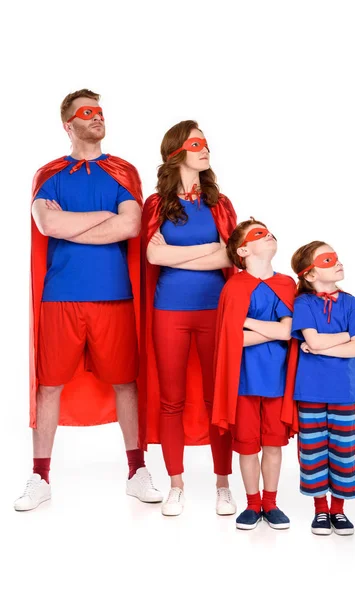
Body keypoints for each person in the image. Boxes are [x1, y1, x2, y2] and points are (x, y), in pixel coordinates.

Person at [15, 89, 162, 511]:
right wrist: (103, 217)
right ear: (68, 124)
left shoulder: (121, 172)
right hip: (60, 296)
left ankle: (137, 471)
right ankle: (40, 477)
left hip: (113, 294)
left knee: (125, 384)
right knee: (49, 386)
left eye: (100, 112)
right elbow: (46, 223)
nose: (97, 118)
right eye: (87, 113)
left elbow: (131, 226)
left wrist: (73, 225)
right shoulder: (50, 174)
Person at [140, 120, 237, 516]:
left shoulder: (220, 203)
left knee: (219, 399)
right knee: (171, 401)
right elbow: (151, 257)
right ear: (176, 152)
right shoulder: (156, 205)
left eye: (207, 143)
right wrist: (206, 251)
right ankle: (176, 485)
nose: (206, 149)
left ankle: (223, 484)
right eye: (197, 143)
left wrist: (174, 256)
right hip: (169, 313)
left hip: (216, 312)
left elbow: (230, 256)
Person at [213, 218, 298, 530]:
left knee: (273, 444)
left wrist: (249, 323)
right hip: (243, 379)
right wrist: (275, 331)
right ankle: (252, 504)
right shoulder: (234, 287)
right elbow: (232, 340)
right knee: (247, 445)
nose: (270, 236)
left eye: (270, 233)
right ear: (243, 250)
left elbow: (290, 331)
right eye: (260, 234)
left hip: (277, 379)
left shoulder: (286, 284)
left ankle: (271, 503)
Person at [291, 241, 355, 535]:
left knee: (343, 450)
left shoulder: (351, 303)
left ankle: (339, 510)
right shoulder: (303, 303)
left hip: (346, 390)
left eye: (336, 258)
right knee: (313, 451)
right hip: (311, 389)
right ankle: (320, 510)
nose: (337, 263)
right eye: (328, 260)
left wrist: (320, 346)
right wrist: (344, 338)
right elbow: (313, 341)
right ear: (310, 274)